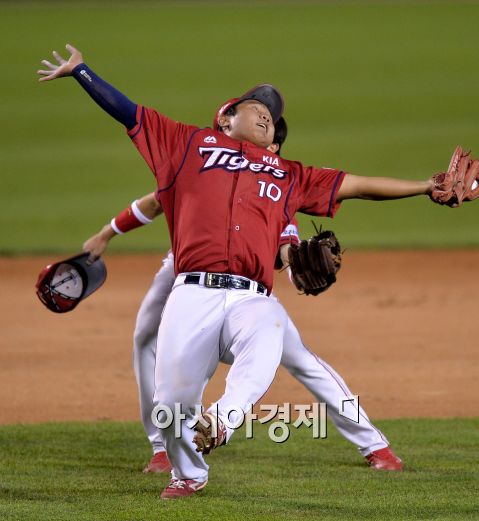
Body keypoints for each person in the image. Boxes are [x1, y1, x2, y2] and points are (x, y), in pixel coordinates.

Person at [38, 44, 434, 499]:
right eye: (257, 106)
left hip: (251, 296)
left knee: (275, 336)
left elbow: (358, 186)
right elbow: (129, 118)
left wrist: (426, 187)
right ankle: (186, 470)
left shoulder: (285, 174)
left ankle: (225, 421)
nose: (268, 114)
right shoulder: (189, 147)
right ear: (225, 119)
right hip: (190, 289)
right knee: (171, 397)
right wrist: (82, 72)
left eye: (274, 116)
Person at [83, 190, 402, 477]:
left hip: (246, 295)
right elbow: (155, 202)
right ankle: (162, 448)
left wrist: (299, 271)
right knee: (145, 339)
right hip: (184, 275)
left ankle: (375, 446)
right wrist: (107, 232)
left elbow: (287, 250)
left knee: (302, 361)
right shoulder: (202, 159)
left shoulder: (274, 184)